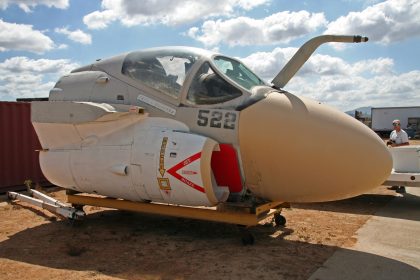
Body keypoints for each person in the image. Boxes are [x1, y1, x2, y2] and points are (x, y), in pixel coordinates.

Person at [387, 119, 409, 193]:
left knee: (401, 170)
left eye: (396, 125)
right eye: (393, 125)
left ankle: (402, 187)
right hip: (395, 154)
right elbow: (391, 140)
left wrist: (397, 145)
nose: (394, 126)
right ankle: (395, 185)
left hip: (402, 154)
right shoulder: (393, 132)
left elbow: (407, 144)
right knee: (395, 169)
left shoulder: (403, 133)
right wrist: (389, 142)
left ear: (399, 125)